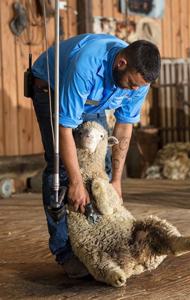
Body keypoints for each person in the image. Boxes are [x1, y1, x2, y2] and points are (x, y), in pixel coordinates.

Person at [31, 33, 161, 278]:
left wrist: (116, 182)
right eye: (132, 84)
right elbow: (65, 128)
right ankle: (65, 252)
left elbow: (124, 128)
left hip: (94, 98)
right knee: (61, 171)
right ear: (121, 63)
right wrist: (77, 183)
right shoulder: (86, 65)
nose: (135, 90)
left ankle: (102, 245)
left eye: (139, 87)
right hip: (51, 86)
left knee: (100, 169)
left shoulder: (139, 80)